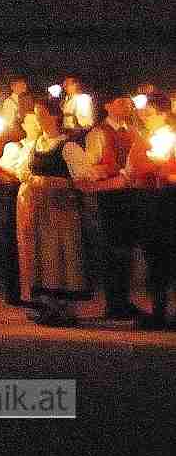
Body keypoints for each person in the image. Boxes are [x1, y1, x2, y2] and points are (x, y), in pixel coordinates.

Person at [0, 98, 91, 326]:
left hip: (61, 209)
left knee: (63, 253)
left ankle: (66, 308)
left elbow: (83, 179)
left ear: (54, 117)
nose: (39, 118)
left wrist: (54, 182)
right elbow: (20, 172)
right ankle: (49, 304)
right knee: (43, 255)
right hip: (38, 208)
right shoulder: (34, 145)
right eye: (37, 114)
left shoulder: (68, 146)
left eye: (42, 114)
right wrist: (0, 169)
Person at [80, 93, 146, 320]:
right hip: (110, 195)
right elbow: (90, 167)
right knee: (113, 248)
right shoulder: (99, 133)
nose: (126, 107)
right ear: (108, 106)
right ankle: (114, 302)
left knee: (126, 248)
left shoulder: (134, 131)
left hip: (131, 194)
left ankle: (123, 300)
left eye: (128, 103)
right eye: (121, 102)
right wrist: (110, 172)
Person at [121, 97, 175, 327]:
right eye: (144, 113)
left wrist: (165, 173)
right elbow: (130, 170)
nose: (145, 117)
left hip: (169, 203)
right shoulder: (143, 139)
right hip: (147, 202)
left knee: (168, 256)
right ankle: (158, 311)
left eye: (150, 113)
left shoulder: (171, 137)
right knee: (154, 257)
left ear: (163, 114)